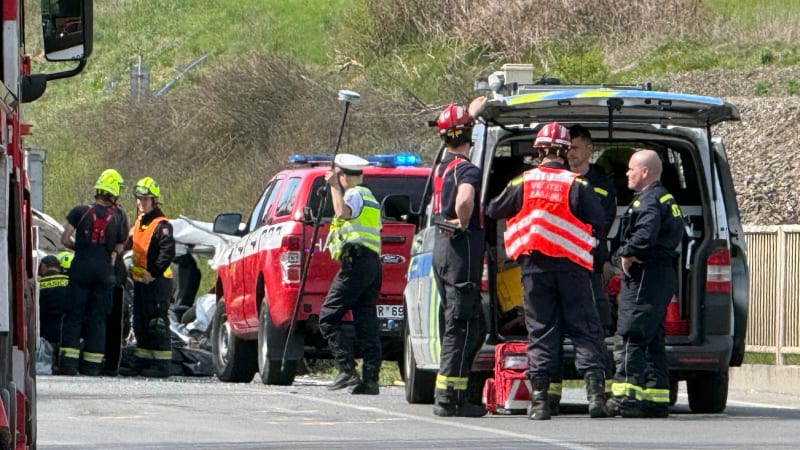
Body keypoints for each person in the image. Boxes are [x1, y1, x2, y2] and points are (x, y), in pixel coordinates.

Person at [486, 122, 610, 420]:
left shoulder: (522, 182)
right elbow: (600, 220)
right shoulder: (577, 184)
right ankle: (596, 398)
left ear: (538, 151)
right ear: (566, 151)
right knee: (584, 329)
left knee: (541, 331)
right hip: (573, 269)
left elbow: (492, 210)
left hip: (534, 269)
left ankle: (540, 401)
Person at [546, 124, 619, 414]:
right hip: (557, 263)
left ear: (590, 148)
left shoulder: (602, 182)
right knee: (553, 327)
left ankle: (600, 391)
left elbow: (604, 221)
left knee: (595, 326)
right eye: (567, 148)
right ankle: (550, 394)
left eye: (575, 147)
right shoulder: (557, 179)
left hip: (589, 264)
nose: (570, 153)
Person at [608, 149, 684, 418]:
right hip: (660, 274)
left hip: (645, 274)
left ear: (645, 171)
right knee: (652, 338)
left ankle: (625, 398)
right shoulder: (666, 197)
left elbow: (646, 233)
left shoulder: (650, 200)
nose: (627, 173)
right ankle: (655, 397)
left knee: (632, 334)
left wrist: (627, 252)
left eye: (631, 169)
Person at [430, 98, 488, 418]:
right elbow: (465, 198)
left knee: (471, 325)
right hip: (460, 251)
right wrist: (463, 220)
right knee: (462, 325)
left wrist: (470, 114)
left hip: (442, 250)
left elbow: (450, 145)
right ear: (471, 135)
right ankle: (450, 398)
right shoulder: (467, 169)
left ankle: (456, 390)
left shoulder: (442, 166)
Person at [319, 153, 383, 395]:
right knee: (366, 323)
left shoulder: (354, 194)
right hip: (371, 265)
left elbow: (342, 213)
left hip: (355, 263)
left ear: (344, 177)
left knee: (327, 316)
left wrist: (334, 187)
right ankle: (370, 379)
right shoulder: (371, 198)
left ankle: (346, 369)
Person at [57, 169, 129, 376]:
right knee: (98, 318)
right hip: (105, 272)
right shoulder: (120, 216)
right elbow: (121, 244)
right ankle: (93, 364)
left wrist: (77, 247)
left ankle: (69, 364)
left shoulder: (80, 211)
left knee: (74, 314)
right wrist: (111, 253)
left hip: (81, 268)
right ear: (114, 192)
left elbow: (64, 238)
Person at [119, 177, 176, 378]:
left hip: (157, 282)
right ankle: (142, 360)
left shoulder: (162, 225)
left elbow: (168, 252)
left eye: (145, 199)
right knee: (141, 322)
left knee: (157, 323)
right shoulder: (140, 223)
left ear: (154, 200)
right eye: (139, 199)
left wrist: (154, 273)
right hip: (141, 282)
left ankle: (161, 365)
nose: (141, 203)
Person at [38, 255, 70, 348]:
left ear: (43, 266)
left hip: (45, 333)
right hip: (65, 331)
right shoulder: (69, 282)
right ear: (59, 268)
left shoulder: (39, 284)